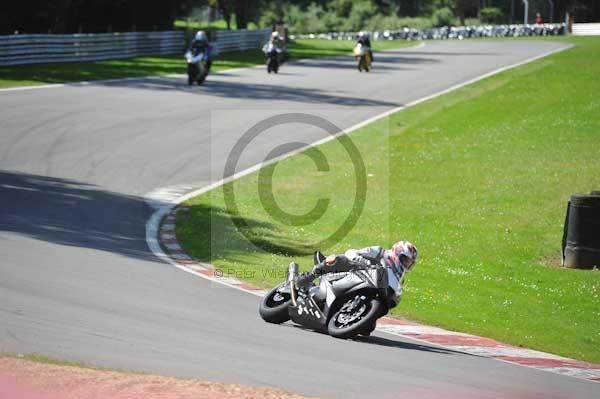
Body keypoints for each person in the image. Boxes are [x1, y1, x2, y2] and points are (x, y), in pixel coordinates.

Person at [295, 241, 418, 289]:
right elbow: (352, 252)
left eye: (409, 263)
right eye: (405, 260)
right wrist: (360, 260)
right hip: (354, 271)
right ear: (397, 252)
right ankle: (307, 277)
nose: (405, 264)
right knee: (339, 259)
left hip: (367, 286)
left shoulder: (398, 279)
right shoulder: (379, 252)